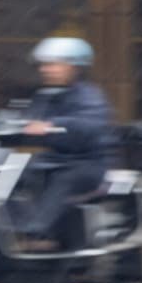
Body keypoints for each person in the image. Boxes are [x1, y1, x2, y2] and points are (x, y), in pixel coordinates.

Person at [13, 36, 116, 250]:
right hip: (55, 159)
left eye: (52, 64)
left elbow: (89, 125)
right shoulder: (46, 95)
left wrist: (53, 124)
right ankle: (12, 227)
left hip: (88, 162)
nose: (45, 69)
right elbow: (28, 119)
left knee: (64, 179)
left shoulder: (89, 96)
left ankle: (38, 231)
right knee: (11, 173)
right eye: (43, 65)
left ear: (73, 67)